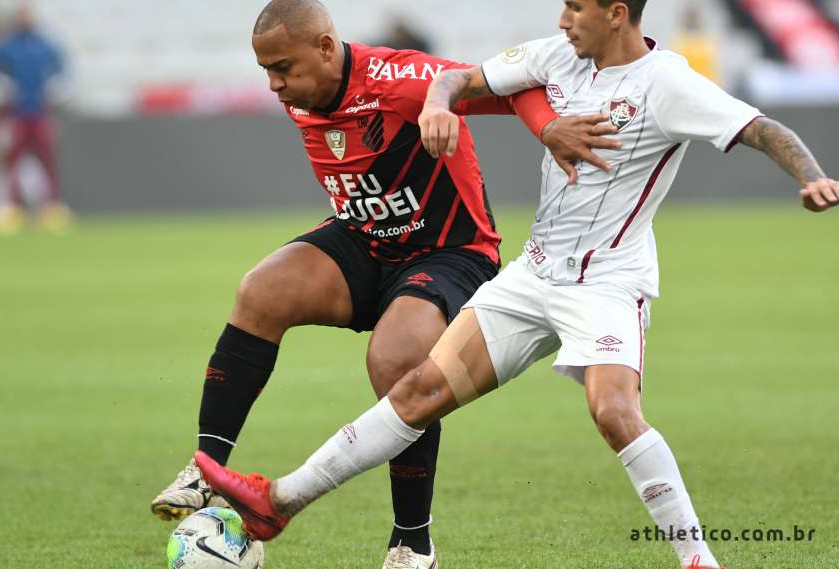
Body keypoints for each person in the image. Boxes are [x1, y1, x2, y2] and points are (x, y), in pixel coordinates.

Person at [193, 1, 838, 568]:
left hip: (607, 281)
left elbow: (762, 128)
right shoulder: (559, 56)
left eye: (576, 7)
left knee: (613, 412)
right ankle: (280, 502)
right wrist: (441, 105)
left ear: (617, 12)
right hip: (533, 274)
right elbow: (455, 77)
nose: (562, 19)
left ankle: (698, 559)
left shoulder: (667, 82)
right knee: (416, 389)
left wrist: (809, 177)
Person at [151, 1, 619, 566]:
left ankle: (411, 543)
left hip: (449, 251)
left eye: (284, 68)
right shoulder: (305, 91)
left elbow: (509, 83)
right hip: (367, 238)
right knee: (260, 292)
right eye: (266, 71)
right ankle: (206, 471)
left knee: (396, 362)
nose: (275, 85)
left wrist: (547, 128)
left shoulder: (399, 78)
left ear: (326, 48)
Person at [0, 5, 71, 234]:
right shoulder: (5, 47)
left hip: (41, 112)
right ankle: (12, 209)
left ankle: (50, 209)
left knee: (48, 159)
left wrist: (57, 87)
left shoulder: (45, 45)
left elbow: (61, 71)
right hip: (15, 115)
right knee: (12, 163)